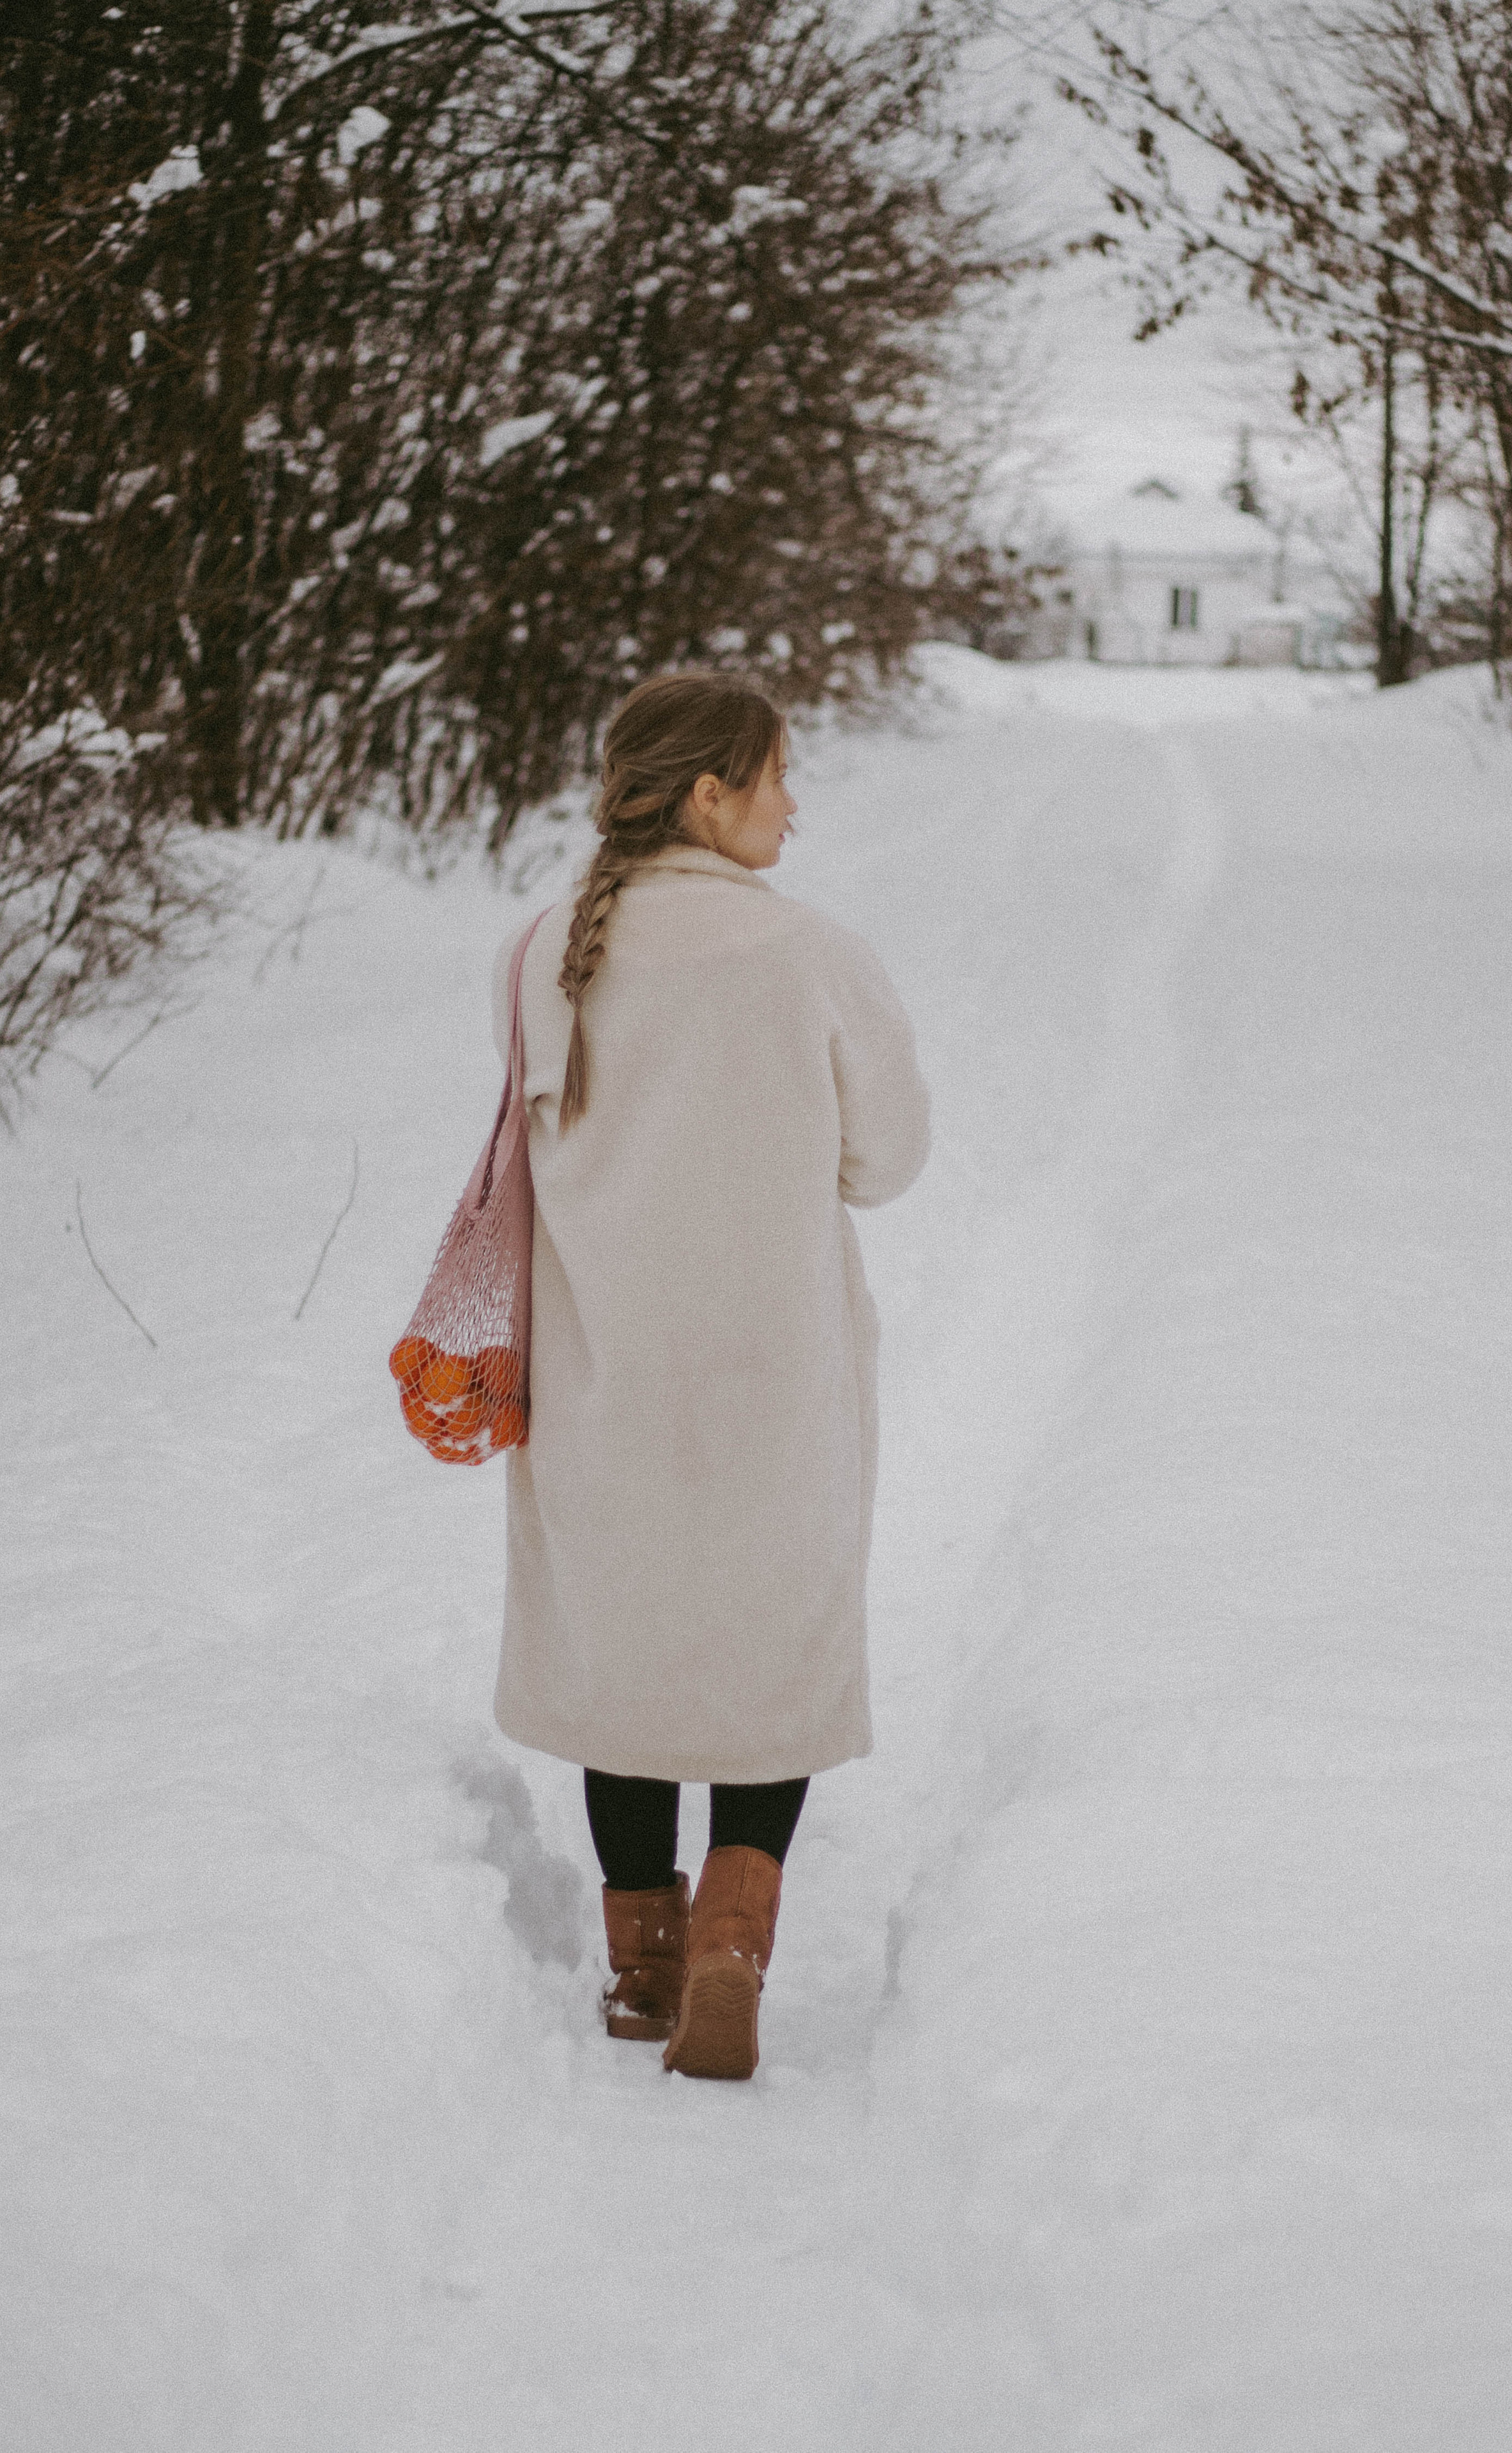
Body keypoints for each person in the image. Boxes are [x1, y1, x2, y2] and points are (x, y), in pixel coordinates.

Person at [491, 672, 929, 2079]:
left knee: (623, 1650)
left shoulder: (545, 950)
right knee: (766, 1648)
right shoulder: (811, 954)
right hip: (773, 1379)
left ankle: (643, 1966)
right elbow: (889, 1160)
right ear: (707, 793)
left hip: (599, 1372)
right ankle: (733, 1952)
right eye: (779, 775)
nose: (795, 806)